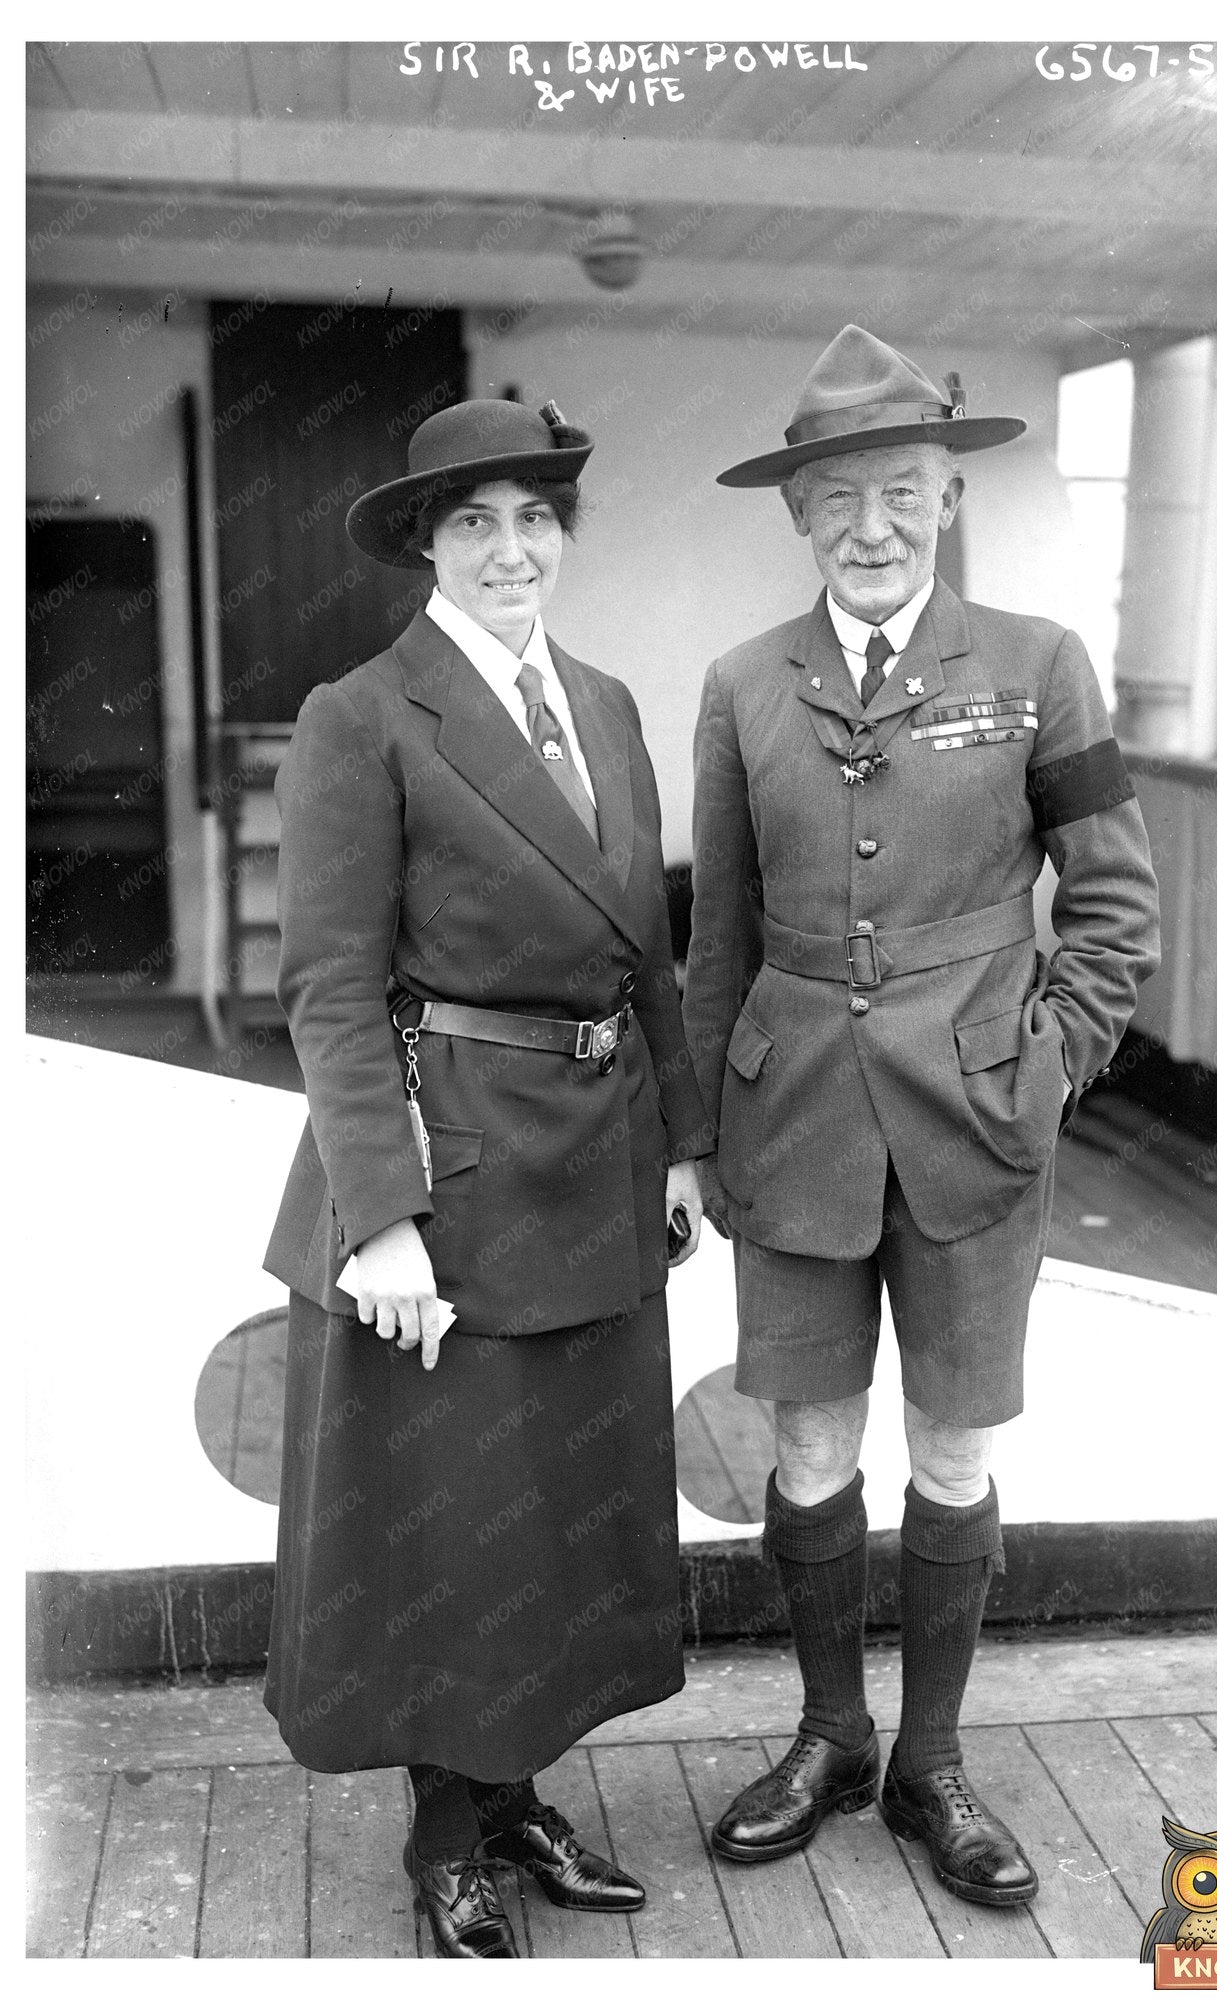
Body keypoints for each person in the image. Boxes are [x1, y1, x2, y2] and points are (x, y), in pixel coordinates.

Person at [683, 326, 1160, 1905]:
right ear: (796, 517)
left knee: (950, 1450)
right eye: (835, 499)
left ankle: (928, 1761)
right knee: (808, 1442)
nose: (869, 525)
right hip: (790, 1118)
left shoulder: (1038, 667)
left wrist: (1049, 1065)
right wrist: (696, 1132)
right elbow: (720, 936)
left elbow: (1110, 911)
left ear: (948, 497)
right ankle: (828, 1733)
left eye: (900, 491)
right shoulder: (743, 684)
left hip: (976, 1128)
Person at [261, 396, 709, 1957]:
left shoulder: (603, 699)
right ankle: (445, 1838)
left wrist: (683, 1145)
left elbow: (647, 952)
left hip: (598, 1158)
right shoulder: (363, 714)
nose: (510, 549)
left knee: (557, 1510)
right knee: (451, 1518)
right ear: (428, 547)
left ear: (562, 536)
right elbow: (325, 981)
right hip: (443, 1163)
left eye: (533, 518)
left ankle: (513, 1793)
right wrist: (379, 1216)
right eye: (474, 523)